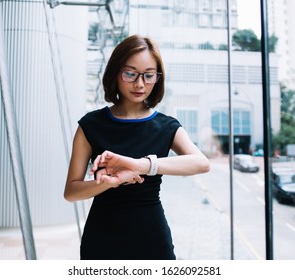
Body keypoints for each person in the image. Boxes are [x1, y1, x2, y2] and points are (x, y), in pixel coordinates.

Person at [64, 34, 210, 260]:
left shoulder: (166, 126)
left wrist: (141, 165)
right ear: (115, 73)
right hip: (102, 238)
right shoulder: (90, 125)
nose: (140, 84)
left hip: (152, 238)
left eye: (148, 75)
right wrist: (113, 182)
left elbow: (201, 163)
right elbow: (71, 192)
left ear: (157, 78)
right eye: (130, 74)